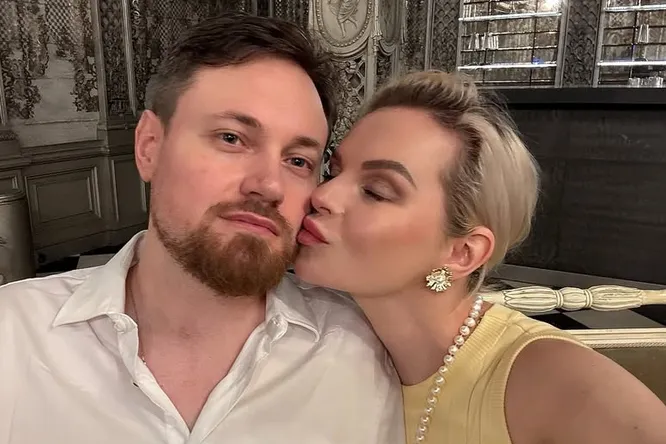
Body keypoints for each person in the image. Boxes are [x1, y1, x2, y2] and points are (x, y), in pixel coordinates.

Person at [0, 13, 404, 444]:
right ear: (149, 147)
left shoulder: (359, 352)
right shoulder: (14, 336)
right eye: (231, 138)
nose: (269, 185)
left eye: (298, 161)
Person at [294, 71, 666, 444]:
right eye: (332, 171)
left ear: (462, 252)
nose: (323, 195)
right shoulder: (318, 338)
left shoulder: (548, 379)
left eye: (376, 191)